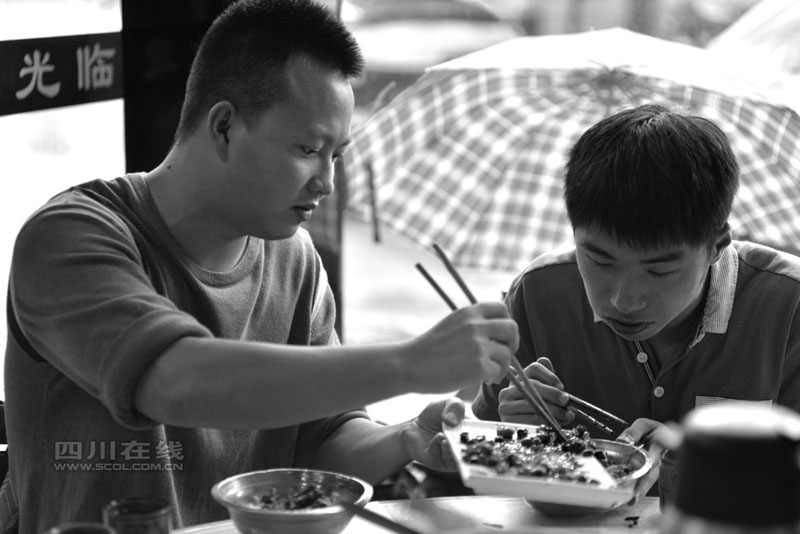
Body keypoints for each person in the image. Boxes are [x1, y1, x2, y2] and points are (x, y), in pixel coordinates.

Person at [1, 1, 519, 532]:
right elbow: (173, 382)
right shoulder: (70, 237)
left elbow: (319, 447)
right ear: (224, 126)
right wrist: (411, 363)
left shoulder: (295, 260)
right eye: (307, 149)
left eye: (336, 155)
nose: (326, 182)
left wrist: (405, 438)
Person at [471, 103, 800, 501]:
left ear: (716, 244)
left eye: (659, 270)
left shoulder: (788, 306)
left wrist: (702, 461)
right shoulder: (539, 295)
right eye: (600, 260)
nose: (624, 300)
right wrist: (515, 435)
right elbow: (477, 469)